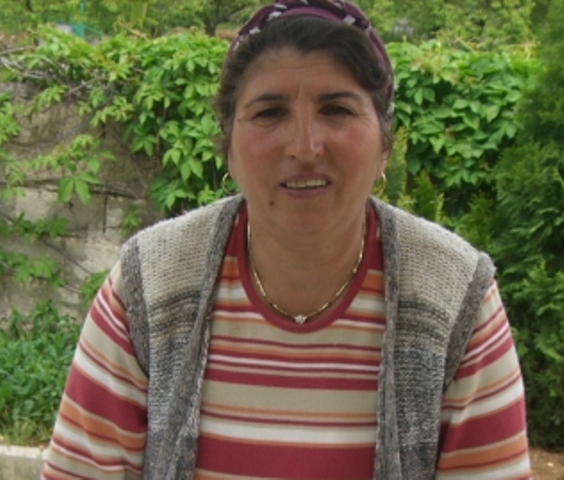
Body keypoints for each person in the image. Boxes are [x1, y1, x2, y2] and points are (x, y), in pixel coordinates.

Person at [41, 1, 532, 478]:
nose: (304, 147)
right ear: (229, 147)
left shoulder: (457, 296)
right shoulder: (149, 283)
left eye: (337, 109)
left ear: (384, 143)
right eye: (270, 112)